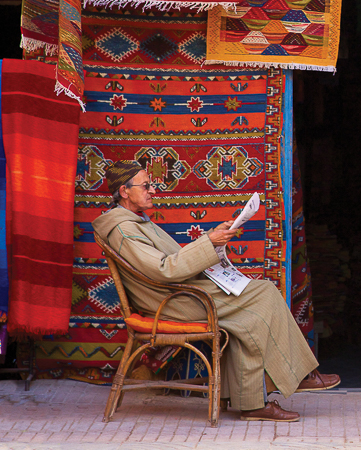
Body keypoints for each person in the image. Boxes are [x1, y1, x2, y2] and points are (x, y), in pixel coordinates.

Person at [92, 161, 338, 422]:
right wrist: (208, 243)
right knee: (264, 292)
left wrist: (211, 237)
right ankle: (299, 375)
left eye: (151, 185)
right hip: (172, 301)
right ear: (124, 190)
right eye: (145, 185)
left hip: (176, 293)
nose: (152, 190)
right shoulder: (124, 229)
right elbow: (164, 270)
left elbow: (172, 259)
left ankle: (253, 405)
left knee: (248, 319)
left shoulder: (136, 222)